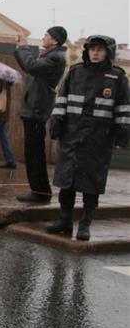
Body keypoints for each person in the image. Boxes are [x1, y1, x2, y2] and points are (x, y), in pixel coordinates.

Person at [46, 36, 129, 240]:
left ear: (108, 52)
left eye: (100, 49)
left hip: (99, 140)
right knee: (67, 181)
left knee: (92, 184)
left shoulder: (117, 77)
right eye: (92, 49)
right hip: (72, 137)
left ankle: (85, 223)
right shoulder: (75, 71)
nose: (95, 53)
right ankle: (64, 220)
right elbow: (62, 99)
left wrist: (122, 135)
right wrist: (57, 124)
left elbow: (124, 108)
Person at [13, 26, 67, 202]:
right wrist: (20, 49)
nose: (43, 37)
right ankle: (38, 190)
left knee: (35, 152)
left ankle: (40, 192)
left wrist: (23, 48)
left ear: (55, 40)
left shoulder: (55, 57)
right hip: (35, 106)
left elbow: (31, 66)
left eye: (47, 35)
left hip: (38, 108)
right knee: (32, 151)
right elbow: (29, 66)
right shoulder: (51, 55)